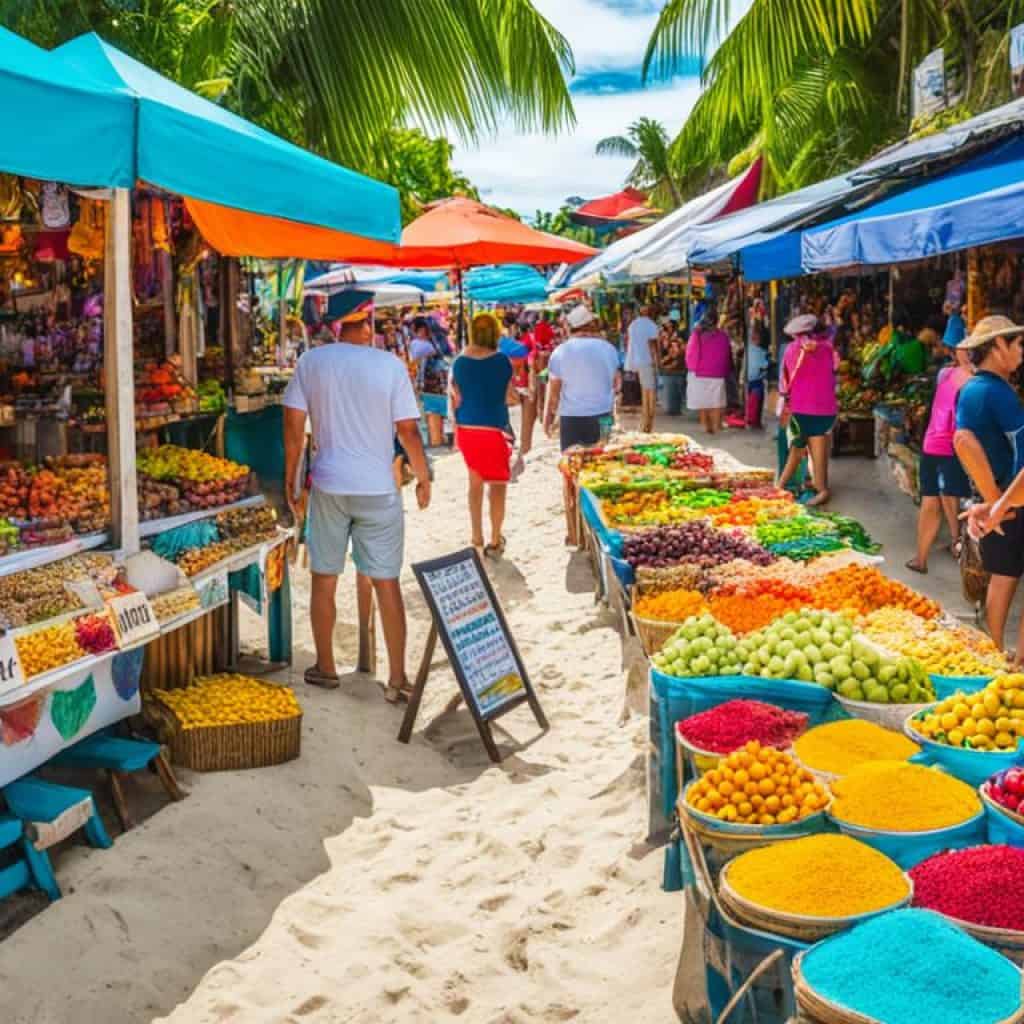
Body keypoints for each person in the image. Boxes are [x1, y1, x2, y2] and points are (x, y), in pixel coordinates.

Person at [283, 292, 431, 703]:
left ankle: (326, 667)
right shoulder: (389, 366)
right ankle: (397, 677)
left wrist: (291, 481)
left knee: (324, 579)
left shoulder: (312, 362)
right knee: (387, 583)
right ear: (364, 322)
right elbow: (408, 431)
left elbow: (294, 429)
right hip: (378, 489)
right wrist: (423, 478)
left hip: (329, 485)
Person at [953, 315, 1024, 651]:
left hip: (997, 497)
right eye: (1018, 344)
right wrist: (1000, 504)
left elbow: (964, 442)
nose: (1022, 352)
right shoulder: (1000, 395)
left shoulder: (969, 390)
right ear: (998, 346)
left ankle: (995, 652)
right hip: (1013, 499)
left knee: (1003, 575)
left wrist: (993, 501)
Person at [544, 303, 621, 545]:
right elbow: (616, 384)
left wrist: (547, 418)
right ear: (591, 325)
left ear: (571, 327)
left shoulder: (561, 352)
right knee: (601, 473)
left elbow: (554, 392)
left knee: (571, 474)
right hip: (603, 417)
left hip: (572, 418)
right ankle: (601, 532)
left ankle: (574, 533)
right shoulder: (609, 349)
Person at [450, 313, 518, 558]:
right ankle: (495, 538)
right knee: (498, 486)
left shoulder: (459, 362)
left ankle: (476, 535)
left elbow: (456, 396)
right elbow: (509, 396)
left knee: (474, 483)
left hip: (467, 428)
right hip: (494, 428)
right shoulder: (502, 361)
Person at [905, 340, 973, 574]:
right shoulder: (968, 378)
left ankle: (925, 557)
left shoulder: (947, 373)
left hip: (940, 444)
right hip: (944, 446)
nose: (967, 351)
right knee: (937, 499)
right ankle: (933, 553)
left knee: (937, 500)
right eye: (963, 347)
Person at [776, 313, 838, 506]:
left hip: (800, 408)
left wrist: (784, 398)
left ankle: (779, 487)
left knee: (796, 450)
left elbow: (785, 381)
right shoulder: (828, 349)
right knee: (819, 454)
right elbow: (834, 369)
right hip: (826, 410)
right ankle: (821, 490)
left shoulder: (791, 350)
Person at [685, 309, 732, 434]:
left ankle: (707, 427)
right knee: (716, 402)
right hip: (717, 373)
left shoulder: (697, 335)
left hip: (699, 373)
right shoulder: (723, 336)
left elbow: (690, 354)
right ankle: (716, 427)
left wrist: (692, 368)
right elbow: (727, 355)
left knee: (703, 401)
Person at [625, 304, 659, 432]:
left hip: (635, 360)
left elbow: (630, 342)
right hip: (646, 360)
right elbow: (653, 345)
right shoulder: (651, 325)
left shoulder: (633, 324)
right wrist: (657, 361)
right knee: (650, 391)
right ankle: (648, 422)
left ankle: (646, 422)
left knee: (645, 389)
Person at [745, 323, 770, 429]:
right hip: (753, 380)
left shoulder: (756, 350)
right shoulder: (755, 349)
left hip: (753, 380)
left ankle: (753, 420)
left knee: (754, 401)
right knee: (755, 401)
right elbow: (765, 365)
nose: (755, 337)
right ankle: (753, 420)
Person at [659, 328, 687, 417]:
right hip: (671, 374)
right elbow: (663, 363)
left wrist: (665, 366)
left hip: (678, 374)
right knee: (671, 393)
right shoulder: (669, 351)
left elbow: (673, 364)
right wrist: (668, 357)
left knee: (675, 392)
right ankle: (673, 409)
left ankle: (675, 409)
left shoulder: (682, 353)